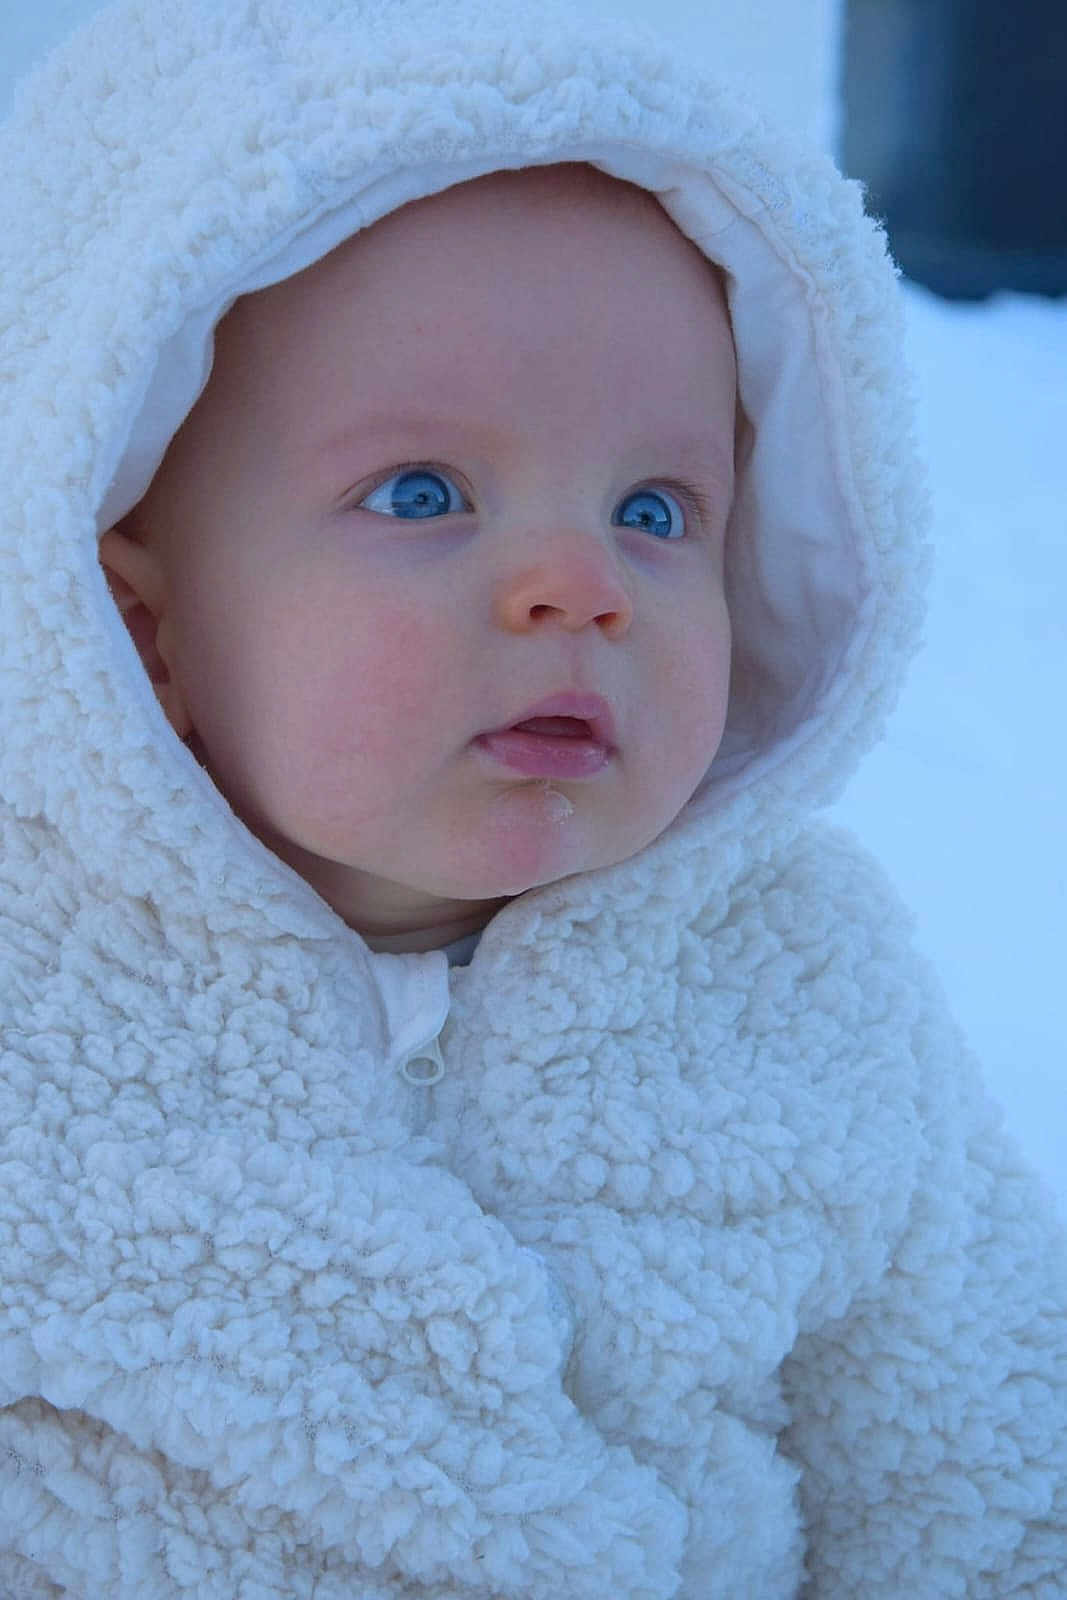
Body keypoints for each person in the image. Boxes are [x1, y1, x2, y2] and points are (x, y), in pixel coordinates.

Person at [0, 0, 1063, 1595]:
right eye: (422, 494)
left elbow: (990, 1466)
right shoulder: (38, 1020)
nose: (581, 586)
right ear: (133, 629)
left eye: (655, 507)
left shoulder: (798, 996)